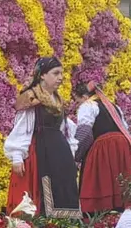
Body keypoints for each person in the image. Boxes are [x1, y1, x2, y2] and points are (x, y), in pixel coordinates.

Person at [6, 57, 80, 218]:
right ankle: (46, 225)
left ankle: (64, 227)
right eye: (56, 73)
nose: (60, 78)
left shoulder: (58, 100)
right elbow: (22, 128)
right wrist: (17, 156)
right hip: (41, 151)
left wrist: (71, 153)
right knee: (46, 190)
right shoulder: (31, 98)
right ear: (42, 75)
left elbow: (65, 129)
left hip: (60, 152)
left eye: (61, 73)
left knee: (64, 188)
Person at [72, 82, 131, 213]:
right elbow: (125, 129)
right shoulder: (114, 107)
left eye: (78, 101)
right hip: (122, 148)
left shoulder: (88, 105)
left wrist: (75, 154)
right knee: (121, 185)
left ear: (85, 97)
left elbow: (85, 133)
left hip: (104, 149)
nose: (78, 105)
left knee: (102, 184)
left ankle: (101, 218)